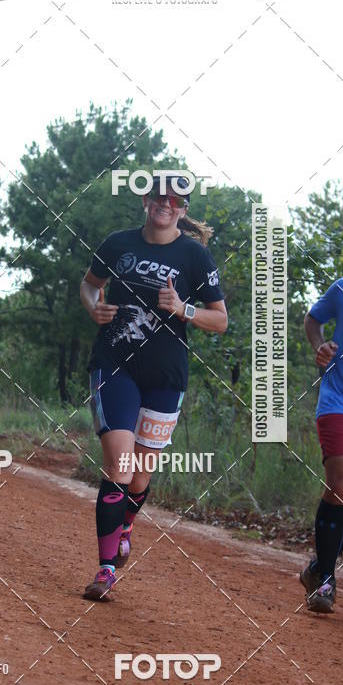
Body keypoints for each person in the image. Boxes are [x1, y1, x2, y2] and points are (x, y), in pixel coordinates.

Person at [80, 174, 228, 601]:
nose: (166, 204)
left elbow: (220, 321)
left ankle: (126, 523)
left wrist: (184, 309)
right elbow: (89, 285)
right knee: (120, 465)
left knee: (140, 475)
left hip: (166, 376)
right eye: (159, 197)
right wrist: (95, 309)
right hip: (114, 365)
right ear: (146, 200)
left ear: (182, 208)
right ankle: (106, 570)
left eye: (175, 200)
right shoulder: (117, 243)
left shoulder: (194, 255)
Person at [300, 275, 343, 613]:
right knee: (341, 482)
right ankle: (326, 579)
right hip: (340, 401)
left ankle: (316, 569)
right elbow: (313, 319)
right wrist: (319, 347)